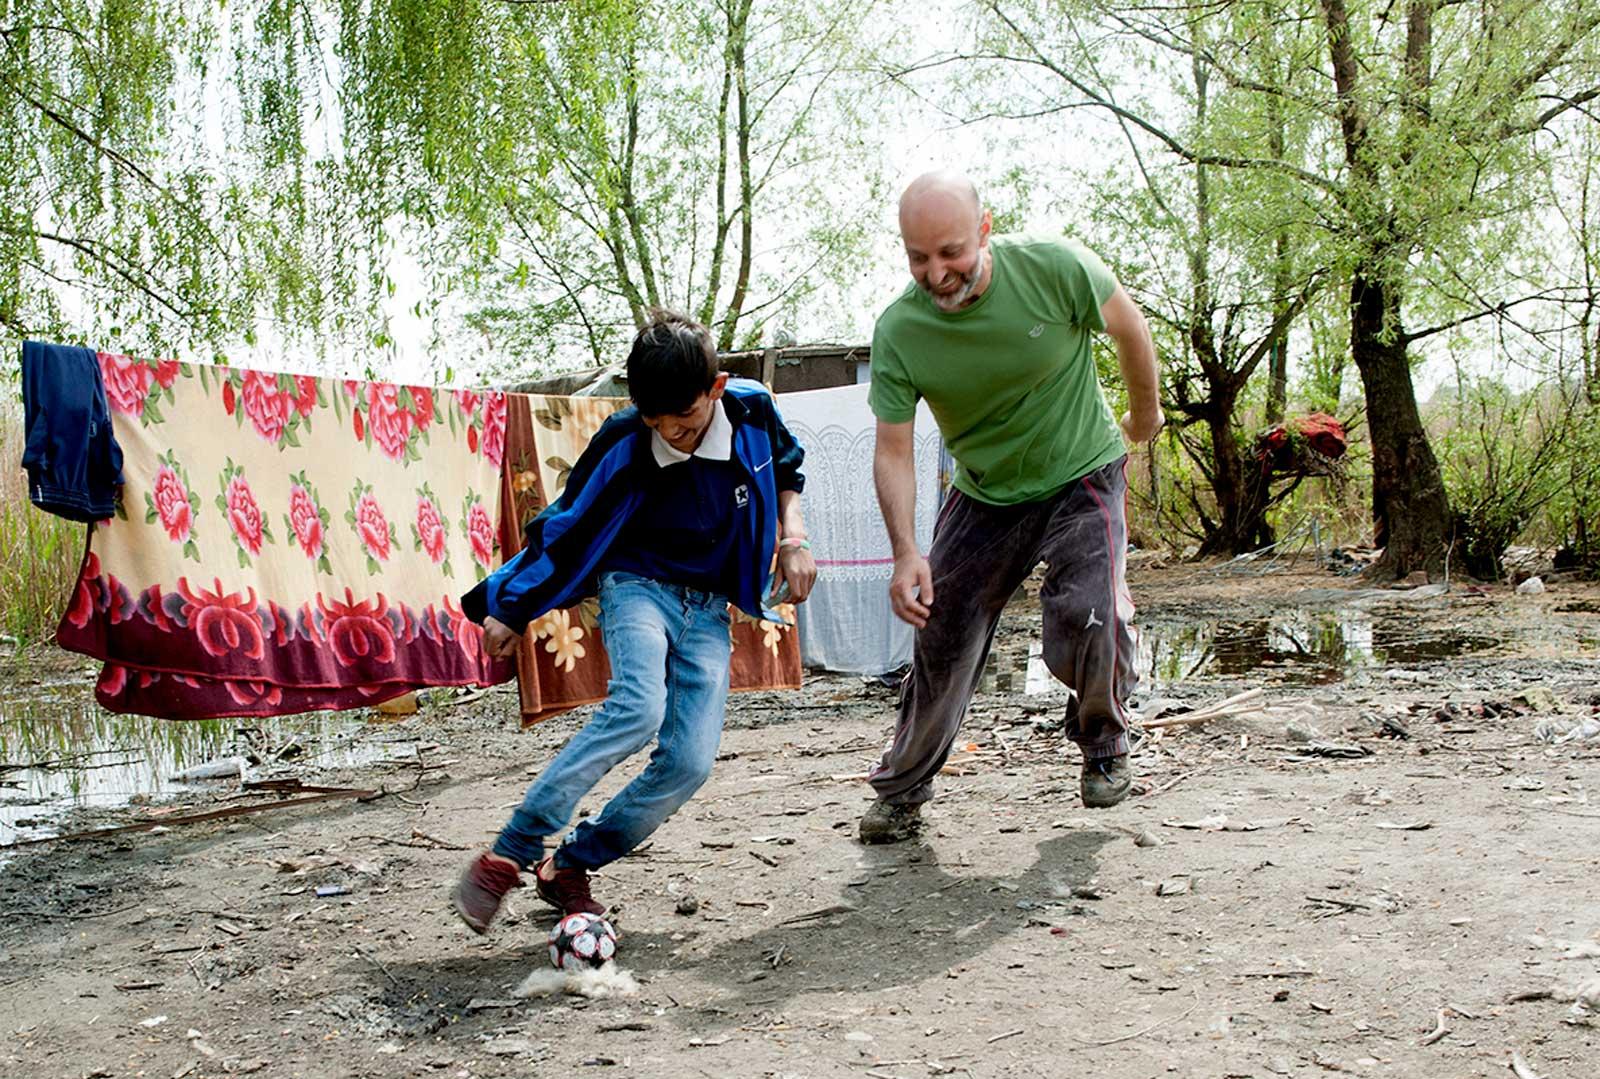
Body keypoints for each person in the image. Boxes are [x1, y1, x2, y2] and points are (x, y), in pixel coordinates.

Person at [451, 311, 816, 929]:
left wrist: (794, 536)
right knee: (638, 708)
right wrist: (511, 607)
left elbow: (786, 470)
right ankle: (512, 849)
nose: (672, 434)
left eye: (686, 420)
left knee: (689, 763)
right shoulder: (626, 439)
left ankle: (570, 865)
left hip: (708, 607)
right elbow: (567, 527)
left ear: (717, 389)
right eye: (656, 422)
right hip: (636, 586)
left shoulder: (753, 409)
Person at [860, 171, 1162, 844]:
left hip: (1081, 470)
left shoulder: (1055, 269)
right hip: (985, 492)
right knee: (940, 635)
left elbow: (1130, 328)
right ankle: (903, 788)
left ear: (985, 231)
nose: (936, 273)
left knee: (1092, 608)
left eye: (951, 252)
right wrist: (907, 551)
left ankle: (1104, 740)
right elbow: (894, 451)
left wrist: (1145, 415)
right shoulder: (901, 331)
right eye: (918, 257)